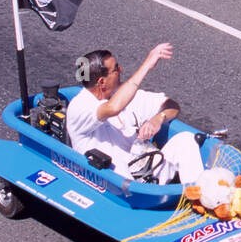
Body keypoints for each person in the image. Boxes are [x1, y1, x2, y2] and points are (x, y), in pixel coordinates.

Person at [65, 44, 206, 186]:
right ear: (102, 82)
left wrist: (158, 119)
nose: (121, 70)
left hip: (144, 170)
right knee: (116, 166)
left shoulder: (123, 95)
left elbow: (171, 105)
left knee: (186, 139)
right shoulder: (80, 106)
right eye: (116, 70)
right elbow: (113, 108)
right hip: (115, 182)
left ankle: (199, 198)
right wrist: (147, 65)